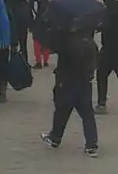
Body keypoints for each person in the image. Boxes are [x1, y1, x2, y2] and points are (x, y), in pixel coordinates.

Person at [40, 21, 100, 158]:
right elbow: (96, 62)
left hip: (68, 82)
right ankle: (91, 145)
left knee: (62, 109)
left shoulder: (68, 44)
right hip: (85, 82)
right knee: (87, 115)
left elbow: (63, 65)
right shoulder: (90, 44)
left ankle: (55, 137)